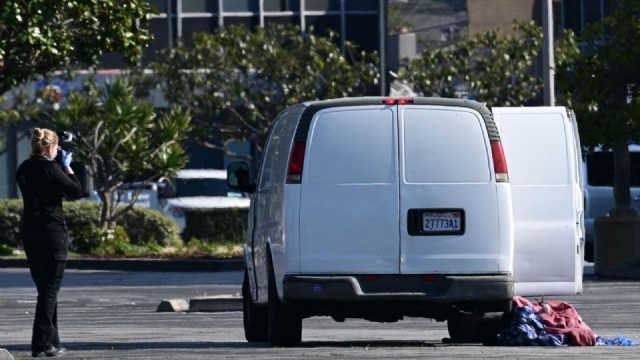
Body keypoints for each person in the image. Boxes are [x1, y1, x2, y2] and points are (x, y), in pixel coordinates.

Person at [15, 128, 81, 358]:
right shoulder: (52, 168)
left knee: (45, 290)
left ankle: (52, 341)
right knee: (49, 291)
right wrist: (67, 166)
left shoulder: (23, 169)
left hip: (30, 232)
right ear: (51, 147)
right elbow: (75, 190)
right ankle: (41, 344)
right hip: (52, 232)